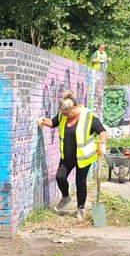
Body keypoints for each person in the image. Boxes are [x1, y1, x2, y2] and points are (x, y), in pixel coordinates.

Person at [38, 89, 108, 220]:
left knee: (80, 182)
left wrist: (103, 144)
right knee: (60, 177)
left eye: (68, 113)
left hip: (84, 157)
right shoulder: (63, 115)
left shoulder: (88, 116)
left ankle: (80, 208)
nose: (66, 116)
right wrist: (42, 121)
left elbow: (102, 131)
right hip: (67, 157)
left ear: (74, 107)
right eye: (64, 114)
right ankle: (66, 197)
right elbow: (53, 123)